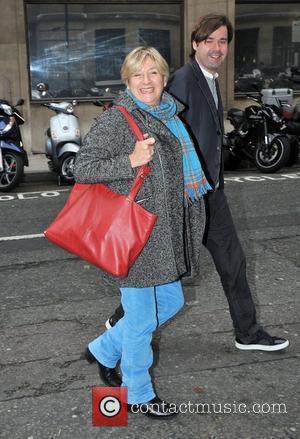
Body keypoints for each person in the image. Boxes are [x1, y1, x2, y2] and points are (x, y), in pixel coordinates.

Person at [106, 14, 289, 352]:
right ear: (195, 44)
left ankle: (247, 333)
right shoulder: (182, 80)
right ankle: (121, 321)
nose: (217, 47)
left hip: (209, 191)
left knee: (232, 261)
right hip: (185, 195)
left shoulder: (209, 78)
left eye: (222, 41)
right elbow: (156, 123)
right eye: (209, 41)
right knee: (166, 269)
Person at [74, 47, 211, 417]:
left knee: (171, 302)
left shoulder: (169, 115)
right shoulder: (120, 119)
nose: (147, 81)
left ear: (165, 78)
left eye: (154, 73)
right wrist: (130, 160)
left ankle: (104, 349)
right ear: (127, 80)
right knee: (139, 321)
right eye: (139, 75)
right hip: (133, 235)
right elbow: (82, 167)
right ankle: (137, 393)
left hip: (164, 234)